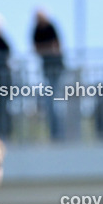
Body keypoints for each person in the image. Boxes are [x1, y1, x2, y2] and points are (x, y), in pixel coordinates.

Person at [32, 11, 65, 140]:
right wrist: (47, 49)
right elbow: (37, 48)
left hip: (57, 69)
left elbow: (56, 47)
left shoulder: (51, 27)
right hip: (46, 70)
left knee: (57, 102)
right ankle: (54, 134)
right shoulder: (36, 30)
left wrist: (46, 49)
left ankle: (59, 135)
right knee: (49, 103)